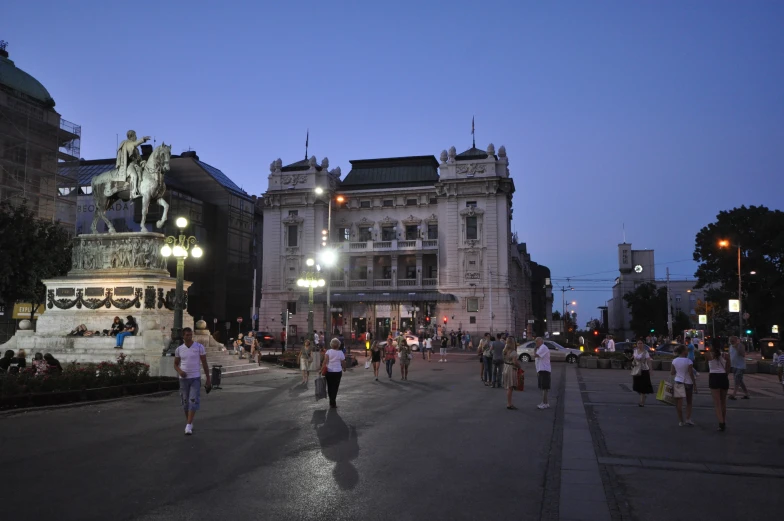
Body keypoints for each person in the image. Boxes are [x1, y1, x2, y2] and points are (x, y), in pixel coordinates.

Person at [174, 327, 211, 435]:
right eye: (187, 335)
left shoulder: (199, 347)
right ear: (183, 336)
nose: (189, 337)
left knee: (193, 400)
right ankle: (189, 422)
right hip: (184, 379)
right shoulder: (179, 349)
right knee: (185, 402)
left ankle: (188, 425)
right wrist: (180, 371)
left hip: (195, 377)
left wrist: (208, 379)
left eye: (191, 335)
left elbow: (204, 363)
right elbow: (175, 364)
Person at [115, 129, 151, 198]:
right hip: (129, 165)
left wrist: (142, 162)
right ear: (131, 136)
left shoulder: (135, 149)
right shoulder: (127, 143)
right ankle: (133, 193)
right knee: (134, 176)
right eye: (135, 135)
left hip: (136, 165)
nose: (136, 137)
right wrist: (143, 139)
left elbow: (138, 158)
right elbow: (135, 143)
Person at [707, 339, 730, 431]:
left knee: (717, 403)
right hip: (723, 377)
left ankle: (721, 423)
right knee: (723, 402)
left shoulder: (708, 355)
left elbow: (707, 365)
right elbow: (728, 368)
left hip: (713, 377)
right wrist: (725, 375)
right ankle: (723, 420)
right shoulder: (726, 355)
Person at [671, 345, 697, 426]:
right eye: (686, 350)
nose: (687, 351)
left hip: (678, 381)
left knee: (679, 403)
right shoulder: (689, 361)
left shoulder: (674, 361)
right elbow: (690, 373)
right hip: (688, 383)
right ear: (683, 351)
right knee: (689, 402)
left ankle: (681, 421)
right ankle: (688, 419)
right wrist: (695, 384)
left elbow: (672, 372)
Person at [321, 338, 346, 408]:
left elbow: (325, 361)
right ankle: (333, 401)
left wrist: (321, 369)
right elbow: (343, 362)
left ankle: (331, 400)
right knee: (335, 387)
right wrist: (344, 368)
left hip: (329, 371)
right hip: (338, 371)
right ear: (338, 345)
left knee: (329, 386)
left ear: (331, 344)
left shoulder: (328, 352)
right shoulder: (340, 352)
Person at [631, 339, 654, 406]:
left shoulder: (645, 352)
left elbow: (649, 361)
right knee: (636, 386)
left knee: (643, 386)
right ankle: (643, 396)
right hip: (636, 370)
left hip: (644, 370)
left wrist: (651, 370)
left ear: (643, 344)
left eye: (641, 343)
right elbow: (633, 359)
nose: (640, 345)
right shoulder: (635, 351)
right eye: (638, 343)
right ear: (637, 344)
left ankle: (642, 402)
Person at [502, 337, 521, 410]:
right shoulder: (513, 352)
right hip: (511, 368)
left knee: (508, 387)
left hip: (506, 367)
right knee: (510, 387)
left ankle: (509, 403)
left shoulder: (504, 350)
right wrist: (519, 366)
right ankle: (509, 404)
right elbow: (514, 362)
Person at [728, 336, 749, 400]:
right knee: (740, 381)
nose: (731, 342)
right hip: (734, 366)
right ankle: (746, 394)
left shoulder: (740, 345)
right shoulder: (730, 347)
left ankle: (734, 394)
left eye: (733, 341)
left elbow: (743, 354)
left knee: (737, 379)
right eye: (730, 341)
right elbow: (730, 356)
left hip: (740, 366)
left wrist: (737, 348)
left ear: (736, 340)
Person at [535, 337, 551, 409]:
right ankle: (546, 402)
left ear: (540, 342)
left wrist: (535, 350)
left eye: (536, 342)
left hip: (544, 370)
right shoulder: (541, 348)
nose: (536, 344)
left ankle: (544, 403)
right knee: (543, 387)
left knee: (544, 387)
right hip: (541, 369)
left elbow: (536, 355)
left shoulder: (543, 347)